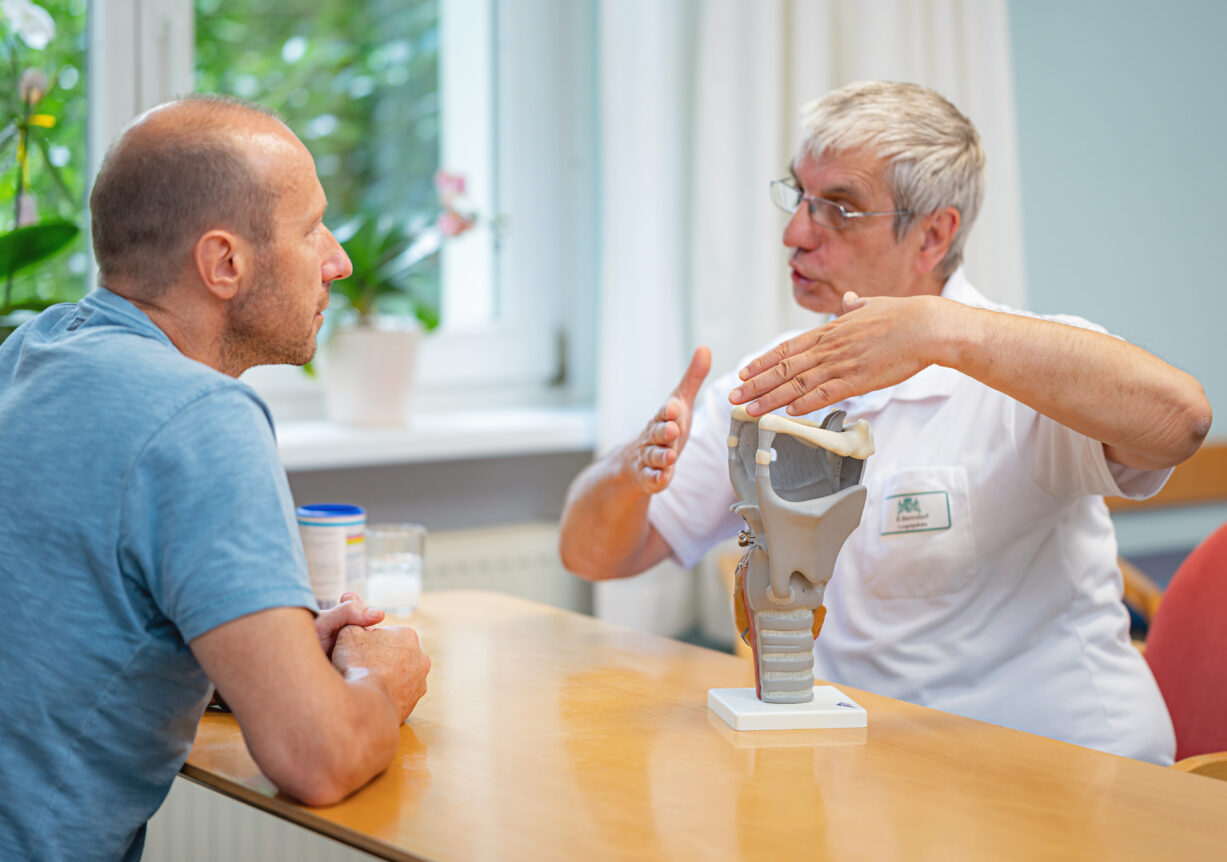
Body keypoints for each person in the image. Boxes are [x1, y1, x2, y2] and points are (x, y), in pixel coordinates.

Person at [559, 81, 1211, 764]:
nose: (794, 234)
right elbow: (592, 556)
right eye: (799, 196)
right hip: (875, 772)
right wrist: (630, 471)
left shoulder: (1030, 369)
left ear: (933, 235)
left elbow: (1183, 421)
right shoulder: (777, 378)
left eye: (838, 208)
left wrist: (937, 330)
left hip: (1071, 771)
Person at [0, 95, 431, 860]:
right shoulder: (200, 416)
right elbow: (318, 758)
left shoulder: (30, 352)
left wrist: (259, 653)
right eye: (311, 229)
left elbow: (58, 630)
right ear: (224, 262)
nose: (338, 261)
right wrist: (380, 681)